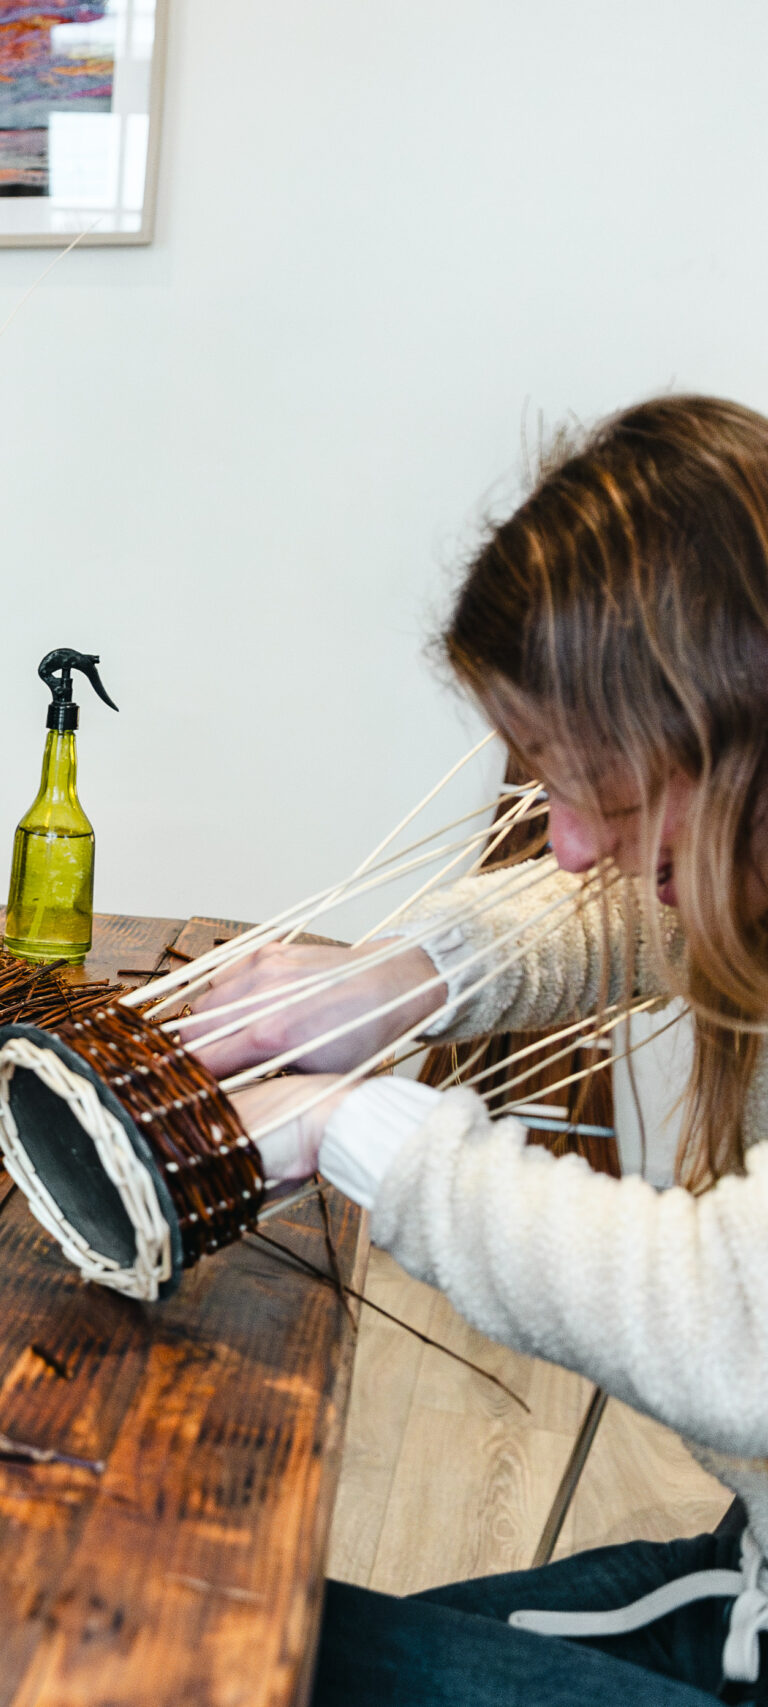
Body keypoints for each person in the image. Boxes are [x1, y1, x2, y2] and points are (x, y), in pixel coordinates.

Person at [189, 395, 768, 1704]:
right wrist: (404, 979)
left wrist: (352, 1127)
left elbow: (741, 1327)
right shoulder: (747, 850)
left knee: (188, 1669)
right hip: (750, 1579)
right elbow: (640, 915)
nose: (566, 842)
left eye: (596, 782)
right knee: (229, 1625)